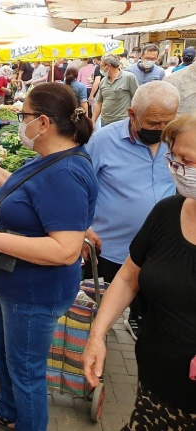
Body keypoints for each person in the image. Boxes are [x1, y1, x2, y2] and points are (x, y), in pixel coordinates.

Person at [0, 82, 98, 431]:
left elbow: (66, 250)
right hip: (17, 286)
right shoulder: (51, 160)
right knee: (4, 350)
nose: (20, 122)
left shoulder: (66, 173)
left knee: (26, 372)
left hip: (36, 292)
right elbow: (33, 202)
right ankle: (8, 413)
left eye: (24, 115)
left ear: (44, 123)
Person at [83, 112, 196, 430]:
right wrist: (97, 336)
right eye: (174, 159)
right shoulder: (167, 213)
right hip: (152, 390)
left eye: (187, 160)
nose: (178, 169)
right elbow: (129, 276)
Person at [83, 81, 179, 341]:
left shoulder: (177, 140)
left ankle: (139, 321)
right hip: (111, 249)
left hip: (160, 250)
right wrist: (81, 228)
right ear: (132, 114)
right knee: (101, 309)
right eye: (153, 123)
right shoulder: (103, 141)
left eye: (166, 123)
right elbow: (78, 186)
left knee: (151, 310)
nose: (160, 130)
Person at [92, 54, 139, 127]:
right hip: (105, 122)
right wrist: (93, 121)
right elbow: (99, 103)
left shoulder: (129, 77)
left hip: (122, 122)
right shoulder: (103, 80)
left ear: (108, 66)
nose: (99, 69)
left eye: (101, 66)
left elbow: (137, 99)